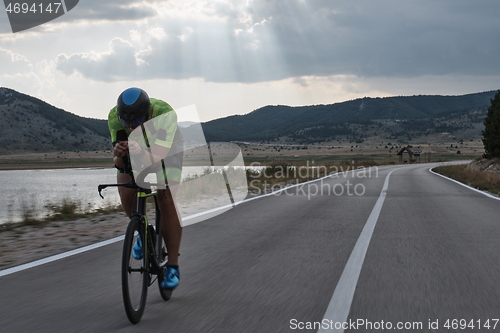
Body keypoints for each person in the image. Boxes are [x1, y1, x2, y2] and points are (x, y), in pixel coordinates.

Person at [108, 87, 183, 290]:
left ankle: (173, 266)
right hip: (138, 150)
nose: (131, 128)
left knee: (165, 197)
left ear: (148, 114)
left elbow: (155, 160)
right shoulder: (114, 117)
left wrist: (140, 151)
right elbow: (119, 164)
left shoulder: (165, 114)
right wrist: (118, 153)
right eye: (127, 123)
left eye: (137, 123)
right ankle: (142, 233)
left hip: (167, 150)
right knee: (125, 190)